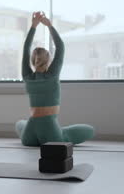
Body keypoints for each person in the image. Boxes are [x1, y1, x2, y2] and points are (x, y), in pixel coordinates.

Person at [15, 11, 95, 146]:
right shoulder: (51, 75)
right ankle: (61, 132)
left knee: (25, 137)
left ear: (32, 61)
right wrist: (49, 26)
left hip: (34, 121)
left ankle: (26, 126)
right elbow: (60, 47)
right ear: (48, 61)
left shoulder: (28, 76)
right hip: (44, 122)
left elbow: (25, 48)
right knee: (62, 140)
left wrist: (33, 26)